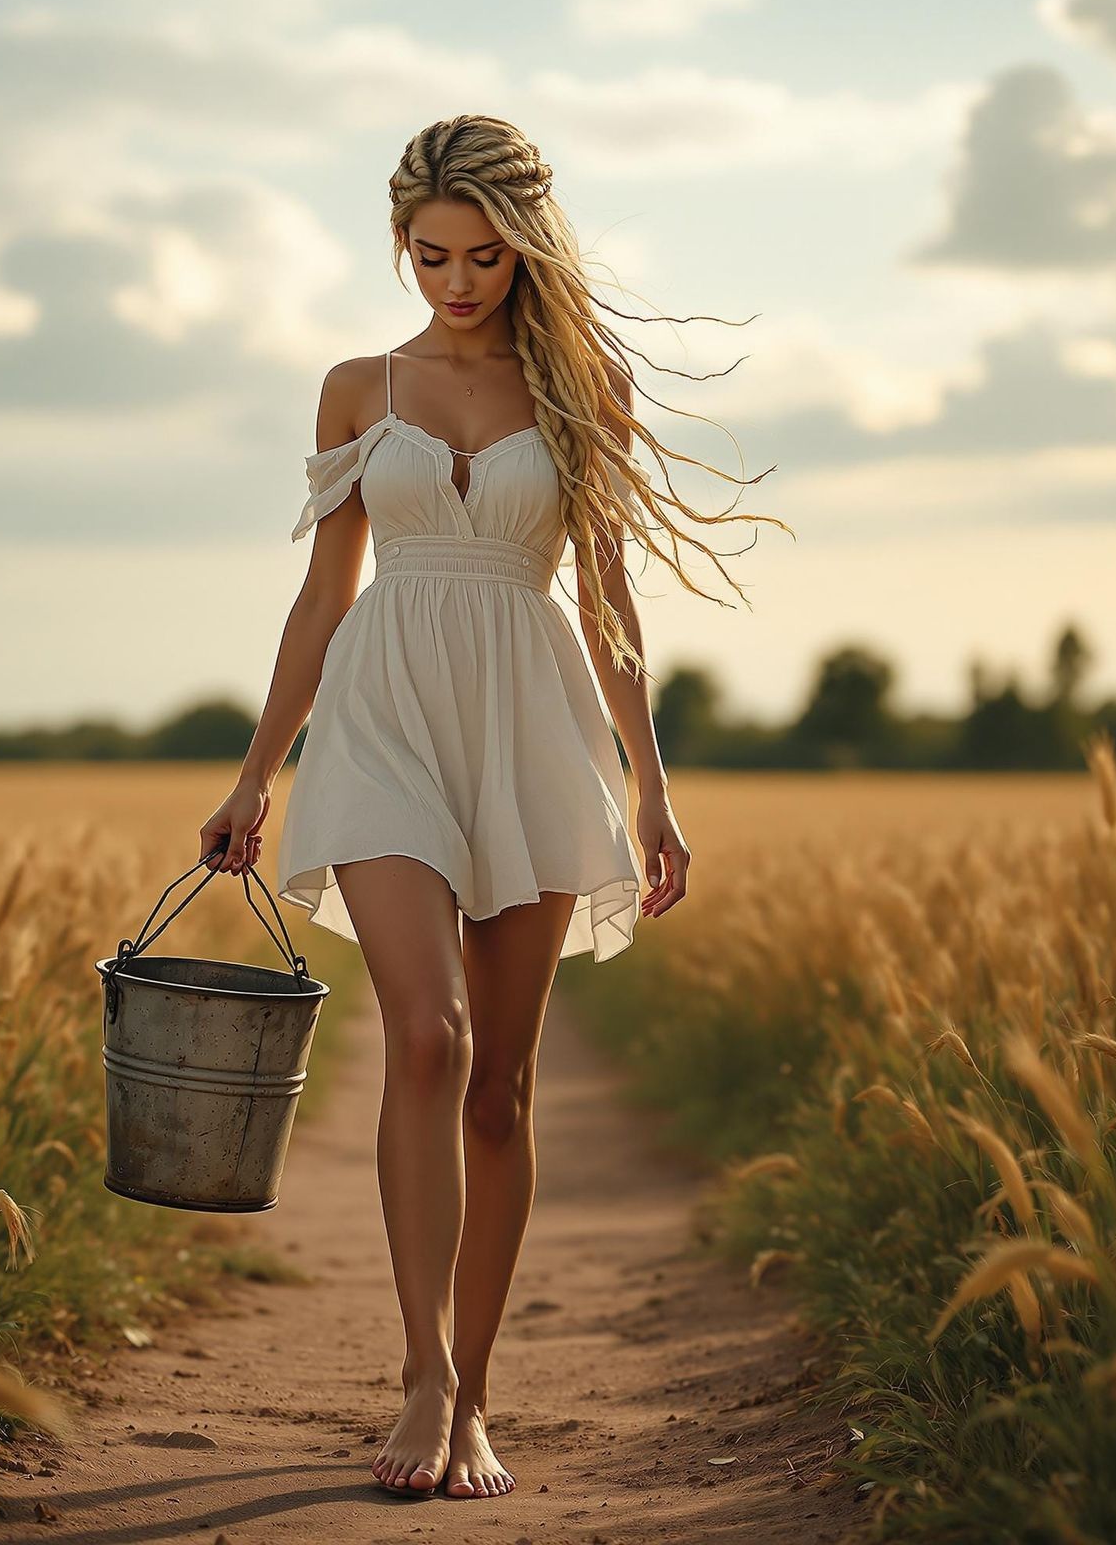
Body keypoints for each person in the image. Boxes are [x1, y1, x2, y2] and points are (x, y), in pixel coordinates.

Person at [199, 115, 786, 1500]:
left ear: (526, 247)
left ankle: (480, 1393)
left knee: (504, 1090)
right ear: (400, 244)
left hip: (529, 719)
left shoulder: (582, 389)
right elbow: (320, 595)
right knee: (425, 1035)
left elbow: (611, 604)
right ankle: (424, 1380)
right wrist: (250, 776)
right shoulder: (357, 386)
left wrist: (655, 792)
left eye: (481, 257)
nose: (454, 283)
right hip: (386, 711)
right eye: (428, 255)